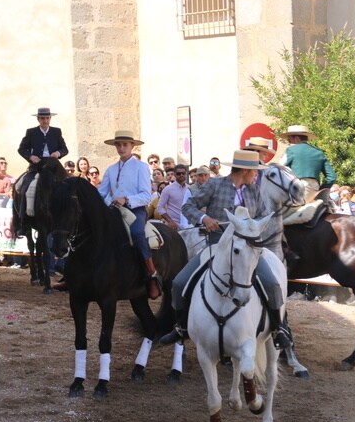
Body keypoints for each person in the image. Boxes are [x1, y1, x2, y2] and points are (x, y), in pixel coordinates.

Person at [161, 149, 290, 349]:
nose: (256, 175)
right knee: (179, 283)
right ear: (245, 171)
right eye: (255, 171)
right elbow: (189, 206)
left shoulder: (254, 190)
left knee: (272, 284)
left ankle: (277, 329)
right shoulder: (214, 185)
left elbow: (263, 216)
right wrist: (205, 219)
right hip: (216, 247)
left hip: (248, 251)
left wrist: (254, 226)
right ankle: (181, 327)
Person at [97, 130, 160, 299]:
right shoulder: (111, 169)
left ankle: (152, 276)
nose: (121, 147)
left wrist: (126, 199)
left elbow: (146, 195)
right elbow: (101, 193)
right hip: (115, 210)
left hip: (136, 209)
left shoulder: (141, 167)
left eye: (125, 144)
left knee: (137, 233)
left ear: (132, 146)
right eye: (118, 144)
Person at [15, 107, 69, 227]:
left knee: (69, 185)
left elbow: (64, 149)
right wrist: (31, 157)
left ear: (50, 118)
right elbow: (22, 149)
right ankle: (23, 221)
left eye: (47, 118)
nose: (45, 121)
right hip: (37, 165)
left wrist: (58, 153)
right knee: (24, 186)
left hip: (54, 165)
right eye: (42, 118)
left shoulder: (56, 131)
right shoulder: (31, 132)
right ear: (38, 119)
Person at [280, 125, 337, 203]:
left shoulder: (291, 150)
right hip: (315, 190)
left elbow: (278, 168)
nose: (289, 144)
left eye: (289, 140)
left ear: (296, 138)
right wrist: (321, 190)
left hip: (297, 188)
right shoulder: (318, 152)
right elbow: (332, 177)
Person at [157, 164, 191, 230]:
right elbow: (160, 208)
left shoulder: (190, 189)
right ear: (174, 175)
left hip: (189, 226)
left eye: (183, 173)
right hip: (174, 226)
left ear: (186, 174)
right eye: (178, 173)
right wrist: (170, 221)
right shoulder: (167, 189)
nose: (181, 175)